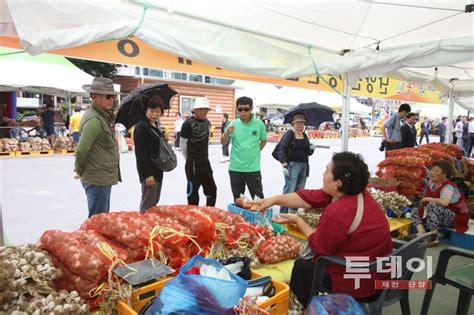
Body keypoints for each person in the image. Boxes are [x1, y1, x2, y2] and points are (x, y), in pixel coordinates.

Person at [250, 152, 392, 307]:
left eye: (326, 171)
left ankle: (300, 306)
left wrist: (298, 220)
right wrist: (273, 200)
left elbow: (320, 246)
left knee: (303, 266)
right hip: (380, 273)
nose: (323, 174)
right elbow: (309, 197)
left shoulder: (339, 211)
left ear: (337, 183)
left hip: (361, 283)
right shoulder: (358, 194)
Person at [74, 77, 121, 218]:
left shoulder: (103, 116)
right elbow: (82, 149)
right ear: (94, 96)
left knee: (100, 218)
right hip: (97, 178)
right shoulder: (94, 120)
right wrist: (79, 169)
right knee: (98, 220)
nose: (111, 100)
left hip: (102, 176)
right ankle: (91, 240)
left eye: (113, 96)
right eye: (108, 97)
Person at [410, 160, 469, 246]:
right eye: (432, 170)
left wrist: (428, 198)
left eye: (436, 171)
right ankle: (421, 233)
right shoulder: (433, 184)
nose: (432, 173)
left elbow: (445, 202)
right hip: (441, 214)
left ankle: (434, 237)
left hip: (456, 217)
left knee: (432, 205)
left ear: (444, 174)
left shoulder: (448, 186)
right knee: (416, 209)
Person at [221, 96, 267, 200]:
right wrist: (227, 133)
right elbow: (223, 142)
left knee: (259, 199)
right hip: (235, 168)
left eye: (246, 109)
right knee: (238, 200)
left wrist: (256, 150)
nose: (243, 112)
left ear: (251, 109)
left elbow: (264, 140)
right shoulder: (233, 124)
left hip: (253, 168)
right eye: (240, 109)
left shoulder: (259, 124)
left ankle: (259, 217)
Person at [180, 97, 217, 206]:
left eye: (205, 109)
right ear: (195, 110)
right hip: (193, 163)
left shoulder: (207, 122)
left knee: (212, 190)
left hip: (205, 161)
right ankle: (194, 217)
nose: (203, 112)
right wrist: (189, 159)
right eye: (200, 109)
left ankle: (210, 214)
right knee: (193, 192)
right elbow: (182, 145)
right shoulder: (187, 124)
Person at [134, 96, 167, 213]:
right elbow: (140, 154)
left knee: (154, 202)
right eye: (151, 111)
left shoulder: (156, 125)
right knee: (147, 204)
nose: (154, 114)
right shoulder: (141, 127)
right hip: (149, 172)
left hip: (158, 169)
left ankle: (150, 226)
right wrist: (147, 175)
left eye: (158, 111)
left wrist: (163, 138)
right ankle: (143, 225)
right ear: (145, 110)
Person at [276, 113, 314, 213]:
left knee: (299, 191)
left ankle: (293, 213)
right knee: (289, 190)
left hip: (304, 166)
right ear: (293, 124)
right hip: (292, 166)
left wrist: (311, 149)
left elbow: (308, 153)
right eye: (297, 123)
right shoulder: (289, 134)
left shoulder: (305, 135)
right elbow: (281, 149)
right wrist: (284, 163)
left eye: (302, 123)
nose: (300, 125)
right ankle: (283, 213)